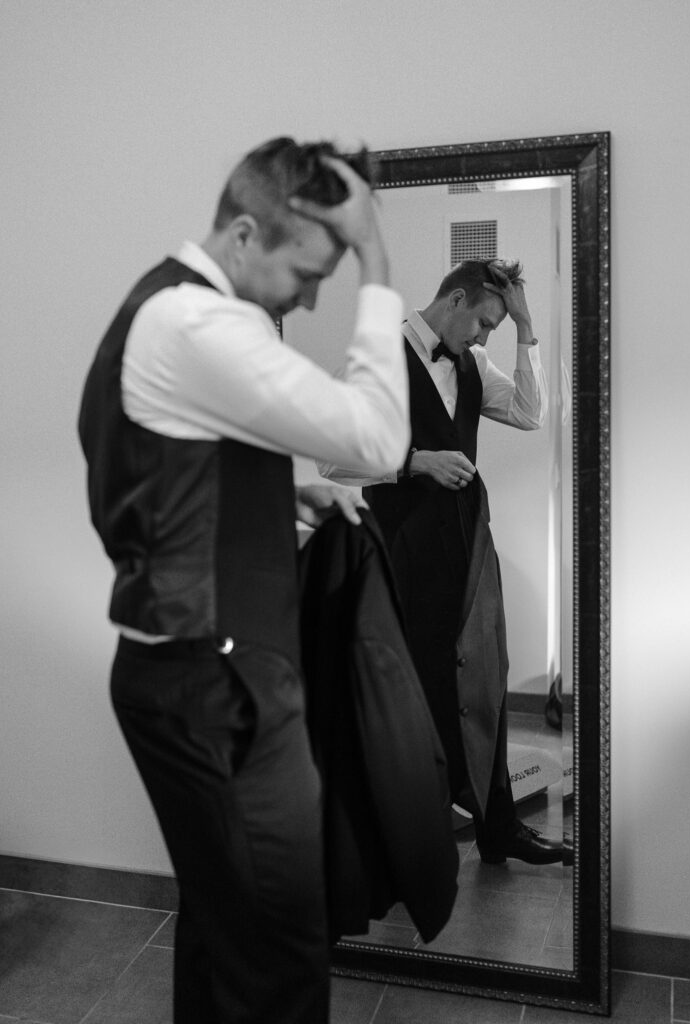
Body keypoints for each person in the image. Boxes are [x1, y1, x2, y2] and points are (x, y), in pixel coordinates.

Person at [77, 137, 410, 1024]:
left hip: (189, 672)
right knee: (279, 953)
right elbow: (379, 443)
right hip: (217, 686)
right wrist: (376, 257)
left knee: (227, 932)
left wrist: (276, 496)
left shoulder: (165, 307)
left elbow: (164, 468)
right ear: (244, 234)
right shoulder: (197, 324)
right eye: (308, 270)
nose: (310, 295)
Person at [320, 258, 562, 866]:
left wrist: (525, 329)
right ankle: (410, 839)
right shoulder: (374, 358)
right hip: (404, 549)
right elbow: (328, 456)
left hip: (470, 546)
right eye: (482, 323)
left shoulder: (474, 363)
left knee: (485, 680)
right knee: (418, 691)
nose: (483, 338)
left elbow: (532, 415)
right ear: (453, 299)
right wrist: (411, 463)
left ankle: (497, 827)